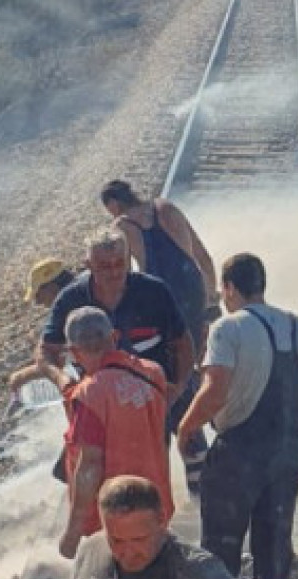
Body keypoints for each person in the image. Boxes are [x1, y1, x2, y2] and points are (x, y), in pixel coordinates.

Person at [177, 253, 298, 579]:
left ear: (228, 288)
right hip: (289, 454)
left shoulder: (228, 328)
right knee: (275, 545)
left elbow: (215, 391)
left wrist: (186, 428)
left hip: (238, 456)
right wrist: (294, 440)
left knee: (220, 546)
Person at [102, 179, 220, 500]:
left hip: (164, 304)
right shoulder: (166, 207)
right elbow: (202, 254)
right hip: (193, 293)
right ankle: (207, 433)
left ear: (113, 204)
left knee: (172, 375)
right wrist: (211, 298)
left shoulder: (122, 226)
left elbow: (122, 280)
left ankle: (187, 453)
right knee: (195, 365)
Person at [36, 307, 171, 560]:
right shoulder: (153, 373)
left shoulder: (91, 394)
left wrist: (72, 534)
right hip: (156, 506)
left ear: (74, 352)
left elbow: (89, 466)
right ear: (115, 337)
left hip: (115, 522)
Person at [39, 231, 194, 415]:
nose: (114, 272)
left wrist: (178, 387)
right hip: (106, 407)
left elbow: (183, 343)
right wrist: (61, 379)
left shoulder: (154, 291)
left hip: (162, 394)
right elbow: (45, 351)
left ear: (128, 259)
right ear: (88, 265)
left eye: (120, 263)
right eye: (104, 266)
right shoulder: (70, 300)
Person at [71, 476, 244, 579]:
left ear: (162, 519)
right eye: (116, 541)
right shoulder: (90, 552)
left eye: (139, 539)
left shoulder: (204, 577)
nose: (128, 553)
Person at [9, 257, 77, 394]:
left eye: (38, 295)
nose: (38, 302)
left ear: (52, 288)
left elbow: (54, 360)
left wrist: (21, 377)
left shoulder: (72, 314)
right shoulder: (83, 296)